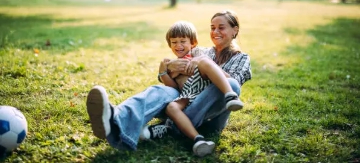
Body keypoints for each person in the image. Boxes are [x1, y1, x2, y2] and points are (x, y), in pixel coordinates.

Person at [86, 10, 251, 155]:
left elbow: (233, 81)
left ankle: (171, 127)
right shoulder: (202, 51)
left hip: (208, 114)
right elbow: (176, 76)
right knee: (159, 90)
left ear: (234, 30)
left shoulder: (240, 58)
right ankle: (115, 120)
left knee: (233, 86)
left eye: (221, 27)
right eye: (212, 27)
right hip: (185, 99)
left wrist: (204, 63)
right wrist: (165, 68)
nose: (215, 32)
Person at [139, 20, 243, 156]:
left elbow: (207, 65)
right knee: (171, 107)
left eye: (183, 41)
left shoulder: (197, 52)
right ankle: (198, 139)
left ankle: (230, 95)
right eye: (174, 42)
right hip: (188, 93)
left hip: (203, 89)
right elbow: (174, 88)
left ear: (193, 42)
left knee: (205, 62)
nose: (178, 45)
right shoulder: (172, 64)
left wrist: (191, 63)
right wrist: (164, 73)